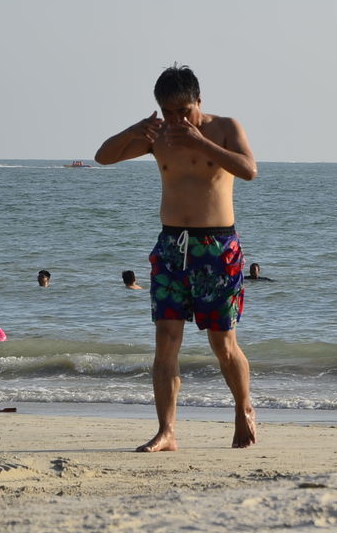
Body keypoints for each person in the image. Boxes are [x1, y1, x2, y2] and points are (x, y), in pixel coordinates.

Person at [95, 64, 258, 452]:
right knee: (166, 342)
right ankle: (167, 431)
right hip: (171, 248)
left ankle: (243, 408)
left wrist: (201, 143)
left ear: (199, 101)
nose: (176, 119)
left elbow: (249, 170)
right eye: (168, 112)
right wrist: (135, 132)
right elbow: (103, 157)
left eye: (183, 111)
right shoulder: (158, 136)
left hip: (217, 247)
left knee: (224, 344)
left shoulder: (224, 128)